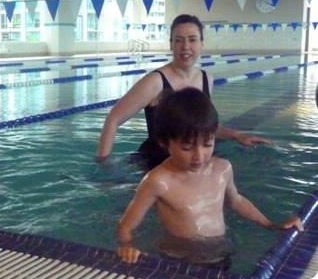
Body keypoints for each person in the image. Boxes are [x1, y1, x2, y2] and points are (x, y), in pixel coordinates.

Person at [116, 88, 303, 269]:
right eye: (187, 148)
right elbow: (126, 226)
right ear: (165, 142)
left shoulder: (223, 169)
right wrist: (128, 246)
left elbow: (236, 201)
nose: (199, 155)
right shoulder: (158, 181)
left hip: (220, 255)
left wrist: (271, 225)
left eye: (207, 144)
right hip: (178, 261)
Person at [97, 14, 270, 168]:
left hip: (193, 162)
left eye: (192, 39)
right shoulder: (155, 81)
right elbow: (113, 119)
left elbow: (202, 126)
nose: (185, 46)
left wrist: (237, 135)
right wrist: (104, 164)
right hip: (156, 165)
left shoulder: (206, 79)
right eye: (178, 40)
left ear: (202, 44)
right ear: (171, 44)